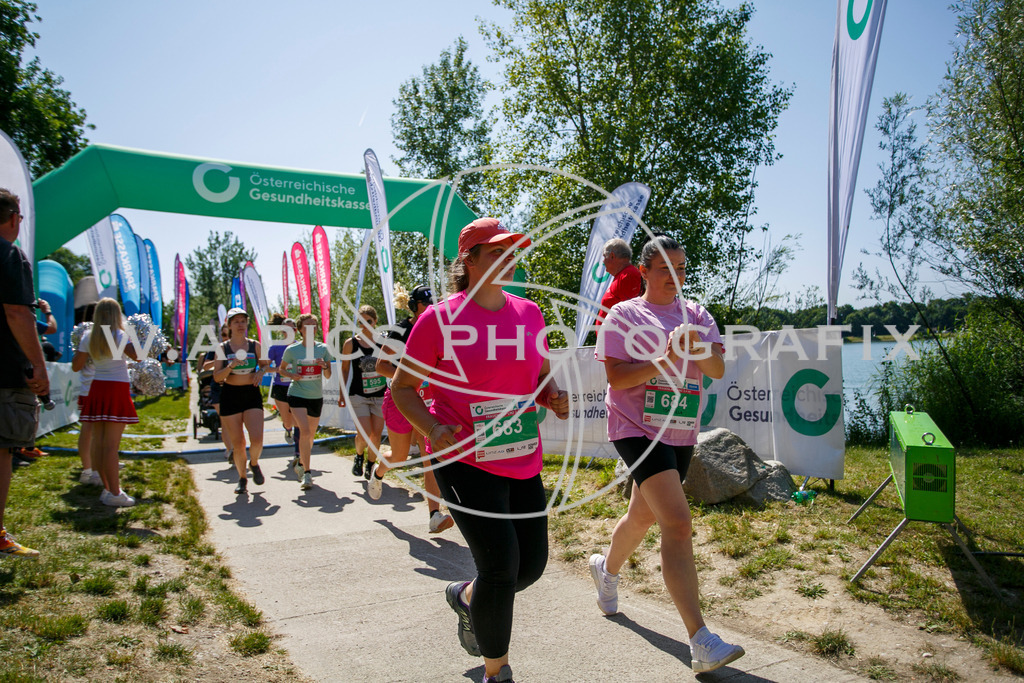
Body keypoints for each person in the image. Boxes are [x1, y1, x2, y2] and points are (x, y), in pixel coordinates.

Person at [391, 218, 569, 683]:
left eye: (510, 250)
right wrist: (432, 427)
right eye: (495, 252)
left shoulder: (529, 313)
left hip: (520, 456)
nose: (507, 258)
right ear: (467, 261)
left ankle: (466, 596)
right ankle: (497, 671)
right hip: (463, 460)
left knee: (529, 567)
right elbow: (403, 388)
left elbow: (541, 373)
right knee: (500, 567)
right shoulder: (439, 319)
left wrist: (553, 393)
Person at [590, 235, 744, 674]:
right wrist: (665, 356)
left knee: (643, 516)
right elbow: (617, 379)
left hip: (679, 428)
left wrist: (697, 346)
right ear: (643, 271)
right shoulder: (623, 314)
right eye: (665, 269)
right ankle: (700, 640)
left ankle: (606, 569)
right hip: (635, 428)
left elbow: (715, 369)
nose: (675, 277)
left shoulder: (695, 314)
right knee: (677, 522)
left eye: (681, 268)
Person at [368, 284, 454, 534]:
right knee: (400, 456)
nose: (434, 310)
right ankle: (379, 470)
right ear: (416, 307)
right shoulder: (400, 331)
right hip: (398, 398)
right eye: (428, 305)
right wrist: (409, 380)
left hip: (426, 400)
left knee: (430, 455)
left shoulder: (439, 329)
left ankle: (434, 514)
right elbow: (382, 366)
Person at [0, 188, 45, 557]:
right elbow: (17, 313)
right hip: (4, 373)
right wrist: (39, 366)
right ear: (14, 217)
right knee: (2, 449)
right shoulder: (10, 255)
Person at [71, 297, 139, 507]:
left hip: (97, 388)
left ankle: (107, 490)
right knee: (111, 447)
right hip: (116, 389)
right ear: (116, 315)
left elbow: (76, 366)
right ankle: (115, 493)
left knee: (99, 443)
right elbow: (138, 356)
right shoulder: (120, 335)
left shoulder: (89, 337)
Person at [212, 308, 268, 494]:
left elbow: (266, 365)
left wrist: (261, 371)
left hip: (251, 394)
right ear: (229, 325)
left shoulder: (255, 345)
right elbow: (217, 377)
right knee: (238, 443)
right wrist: (231, 365)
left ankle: (254, 463)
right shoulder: (223, 348)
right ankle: (242, 478)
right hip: (230, 395)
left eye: (243, 321)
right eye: (236, 321)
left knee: (257, 440)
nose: (240, 325)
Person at [279, 313, 332, 490]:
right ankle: (307, 474)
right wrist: (292, 375)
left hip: (315, 397)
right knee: (305, 430)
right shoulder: (292, 350)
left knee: (310, 436)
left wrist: (324, 366)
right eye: (308, 326)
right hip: (297, 394)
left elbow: (328, 374)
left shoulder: (323, 348)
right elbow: (281, 370)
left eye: (314, 326)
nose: (312, 329)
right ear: (300, 330)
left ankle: (301, 463)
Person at [338, 305, 386, 482]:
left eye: (369, 321)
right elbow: (344, 370)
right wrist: (341, 393)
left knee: (376, 434)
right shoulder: (351, 344)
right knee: (365, 434)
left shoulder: (383, 342)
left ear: (375, 321)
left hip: (380, 395)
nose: (365, 325)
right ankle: (359, 455)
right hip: (358, 395)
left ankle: (370, 464)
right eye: (361, 321)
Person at [265, 315, 300, 464]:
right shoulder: (275, 347)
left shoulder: (302, 346)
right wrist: (279, 370)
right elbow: (265, 366)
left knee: (298, 421)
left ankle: (298, 453)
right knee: (288, 421)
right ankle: (287, 428)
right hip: (281, 387)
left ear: (296, 330)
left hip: (298, 387)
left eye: (292, 328)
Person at [202, 324, 233, 459]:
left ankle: (236, 448)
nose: (227, 338)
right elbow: (205, 366)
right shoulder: (216, 348)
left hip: (236, 386)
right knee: (225, 421)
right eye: (224, 335)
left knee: (236, 421)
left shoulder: (241, 346)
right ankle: (231, 450)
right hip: (218, 387)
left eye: (229, 334)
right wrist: (218, 360)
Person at [596, 237, 642, 325]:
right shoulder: (623, 275)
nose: (603, 261)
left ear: (612, 256)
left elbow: (634, 314)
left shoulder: (629, 275)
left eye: (604, 257)